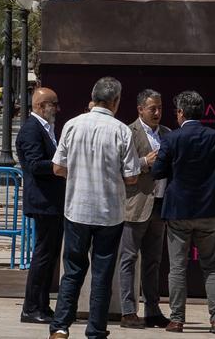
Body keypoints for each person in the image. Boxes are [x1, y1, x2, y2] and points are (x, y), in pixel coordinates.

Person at [49, 77, 144, 339]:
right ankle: (96, 330)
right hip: (108, 213)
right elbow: (132, 176)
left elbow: (57, 167)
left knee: (73, 271)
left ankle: (60, 326)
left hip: (77, 209)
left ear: (94, 97)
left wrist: (80, 172)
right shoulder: (121, 131)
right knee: (102, 275)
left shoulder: (72, 125)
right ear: (116, 101)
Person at [161, 90, 215, 335]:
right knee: (211, 266)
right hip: (209, 210)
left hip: (179, 211)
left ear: (180, 112)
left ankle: (177, 320)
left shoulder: (173, 138)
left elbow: (157, 171)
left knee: (177, 267)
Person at [115, 90, 170, 329]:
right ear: (140, 109)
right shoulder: (128, 132)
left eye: (159, 107)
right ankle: (128, 311)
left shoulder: (168, 134)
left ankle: (152, 309)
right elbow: (119, 168)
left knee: (153, 261)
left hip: (160, 205)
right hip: (135, 205)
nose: (157, 113)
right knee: (128, 258)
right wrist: (144, 162)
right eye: (152, 109)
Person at [18, 87, 66, 325]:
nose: (57, 108)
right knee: (43, 255)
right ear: (40, 106)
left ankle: (42, 304)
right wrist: (58, 167)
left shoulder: (47, 128)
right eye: (53, 104)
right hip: (43, 202)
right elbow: (35, 164)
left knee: (49, 255)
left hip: (53, 202)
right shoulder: (31, 130)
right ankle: (31, 307)